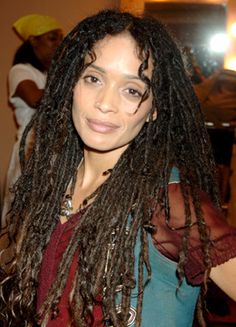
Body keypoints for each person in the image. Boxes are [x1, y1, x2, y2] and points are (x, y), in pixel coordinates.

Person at [0, 9, 236, 327]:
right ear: (72, 84)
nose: (105, 102)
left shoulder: (169, 202)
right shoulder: (55, 182)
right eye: (94, 78)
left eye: (132, 90)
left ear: (154, 109)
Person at [1, 14, 63, 224]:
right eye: (52, 38)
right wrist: (69, 81)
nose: (59, 43)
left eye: (60, 38)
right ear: (33, 41)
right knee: (22, 219)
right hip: (29, 152)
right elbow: (36, 98)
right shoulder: (20, 70)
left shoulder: (49, 76)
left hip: (53, 153)